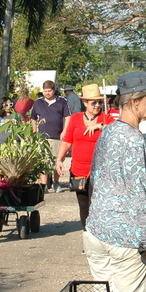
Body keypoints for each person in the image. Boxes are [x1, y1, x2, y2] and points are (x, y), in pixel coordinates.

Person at [85, 71, 146, 292]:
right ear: (135, 102)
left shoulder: (108, 132)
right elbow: (137, 195)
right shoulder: (133, 141)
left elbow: (94, 179)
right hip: (126, 240)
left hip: (97, 232)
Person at [55, 84, 114, 227]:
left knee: (97, 205)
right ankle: (87, 235)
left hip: (100, 171)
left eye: (100, 102)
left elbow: (117, 132)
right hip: (79, 170)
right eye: (94, 102)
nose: (97, 105)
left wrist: (99, 126)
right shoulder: (75, 118)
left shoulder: (106, 119)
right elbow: (67, 142)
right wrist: (59, 159)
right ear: (85, 103)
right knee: (83, 206)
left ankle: (98, 236)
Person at [30, 80, 70, 192]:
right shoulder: (38, 103)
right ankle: (44, 186)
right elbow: (33, 119)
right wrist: (34, 132)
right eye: (45, 91)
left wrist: (65, 131)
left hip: (57, 137)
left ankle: (56, 183)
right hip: (42, 138)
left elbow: (68, 117)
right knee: (43, 162)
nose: (47, 93)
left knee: (58, 160)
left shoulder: (62, 101)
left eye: (49, 91)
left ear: (54, 90)